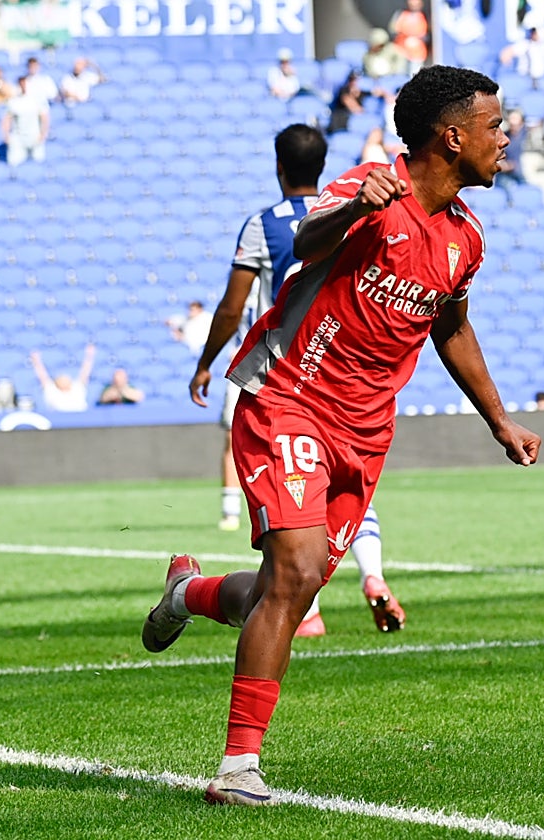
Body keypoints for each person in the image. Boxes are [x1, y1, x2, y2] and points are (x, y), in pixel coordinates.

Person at [142, 65, 540, 807]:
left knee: (280, 592)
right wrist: (356, 206)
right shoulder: (370, 187)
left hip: (365, 432)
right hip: (287, 398)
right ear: (452, 138)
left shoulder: (465, 238)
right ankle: (238, 768)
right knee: (292, 575)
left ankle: (185, 594)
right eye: (494, 125)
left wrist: (499, 419)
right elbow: (309, 245)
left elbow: (450, 328)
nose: (505, 135)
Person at [187, 123, 406, 637]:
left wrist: (205, 363)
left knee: (284, 487)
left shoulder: (262, 225)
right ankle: (370, 573)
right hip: (344, 372)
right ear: (322, 167)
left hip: (281, 376)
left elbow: (232, 306)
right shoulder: (351, 208)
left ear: (278, 166)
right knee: (346, 485)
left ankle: (303, 609)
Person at [2, 75, 51, 167]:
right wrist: (6, 135)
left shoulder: (37, 99)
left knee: (38, 163)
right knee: (14, 162)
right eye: (21, 84)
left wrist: (43, 134)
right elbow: (7, 119)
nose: (23, 86)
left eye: (25, 83)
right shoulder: (13, 101)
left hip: (35, 136)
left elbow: (44, 117)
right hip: (18, 137)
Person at [29, 344, 94, 411]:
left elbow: (85, 372)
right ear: (56, 383)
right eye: (61, 379)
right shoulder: (51, 391)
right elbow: (42, 375)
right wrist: (36, 360)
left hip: (81, 418)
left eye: (66, 378)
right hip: (58, 419)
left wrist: (89, 355)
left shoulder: (78, 388)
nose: (64, 379)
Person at [389, 0, 429, 72]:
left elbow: (428, 36)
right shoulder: (401, 14)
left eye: (416, 4)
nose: (414, 5)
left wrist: (417, 38)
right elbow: (393, 30)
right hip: (401, 53)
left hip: (417, 55)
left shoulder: (424, 16)